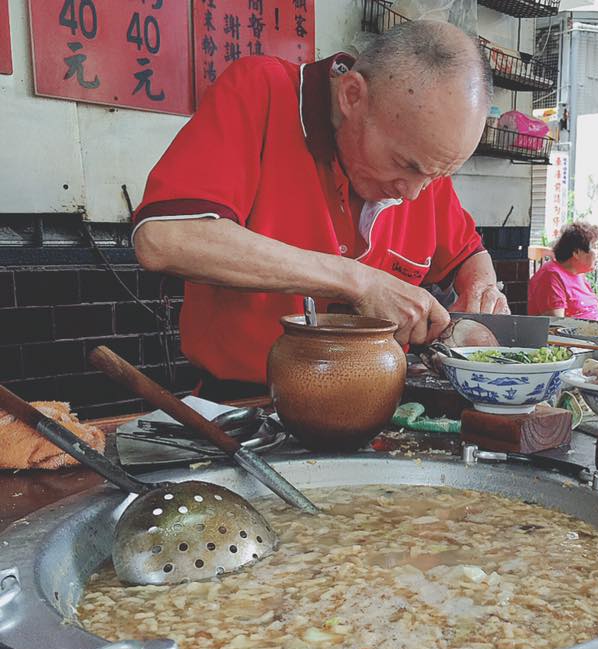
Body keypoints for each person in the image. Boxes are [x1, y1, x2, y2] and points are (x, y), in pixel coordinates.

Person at [131, 21, 508, 395]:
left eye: (437, 175)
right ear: (352, 96)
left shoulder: (423, 167)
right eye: (406, 165)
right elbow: (164, 238)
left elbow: (468, 255)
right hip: (251, 404)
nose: (413, 194)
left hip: (381, 402)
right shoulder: (261, 92)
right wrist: (358, 282)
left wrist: (482, 289)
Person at [527, 221, 598, 320]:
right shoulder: (551, 276)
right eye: (594, 247)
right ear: (576, 252)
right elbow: (555, 324)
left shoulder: (578, 274)